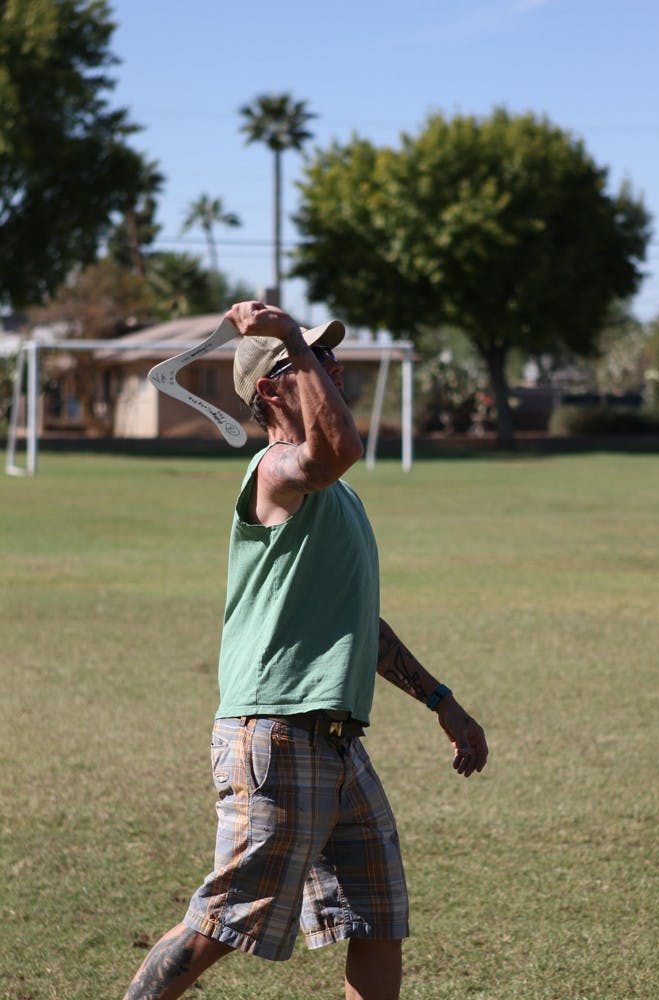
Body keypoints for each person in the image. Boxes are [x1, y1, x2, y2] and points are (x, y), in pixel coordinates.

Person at [123, 301, 488, 1000]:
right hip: (277, 735)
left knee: (377, 915)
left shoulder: (337, 496)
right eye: (313, 362)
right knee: (220, 925)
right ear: (271, 389)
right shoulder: (278, 472)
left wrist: (443, 702)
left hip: (336, 740)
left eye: (328, 358)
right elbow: (335, 449)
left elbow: (360, 625)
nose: (333, 368)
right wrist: (284, 334)